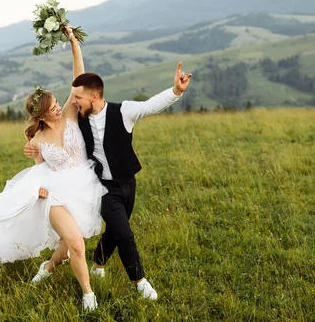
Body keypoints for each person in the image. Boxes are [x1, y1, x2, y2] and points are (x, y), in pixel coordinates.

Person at [25, 46, 192, 301]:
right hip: (101, 187)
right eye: (72, 99)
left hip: (128, 182)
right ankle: (140, 282)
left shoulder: (123, 111)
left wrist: (176, 92)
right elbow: (47, 146)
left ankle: (98, 264)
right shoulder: (77, 118)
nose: (73, 102)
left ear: (93, 97)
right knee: (124, 233)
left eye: (78, 98)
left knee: (115, 231)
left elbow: (150, 106)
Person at [0, 27, 106, 311]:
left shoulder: (69, 114)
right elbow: (39, 171)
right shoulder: (37, 139)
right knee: (77, 244)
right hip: (55, 194)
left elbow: (78, 78)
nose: (58, 108)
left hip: (83, 186)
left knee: (67, 249)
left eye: (58, 103)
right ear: (40, 115)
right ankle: (88, 295)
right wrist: (40, 190)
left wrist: (74, 45)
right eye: (52, 107)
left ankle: (48, 266)